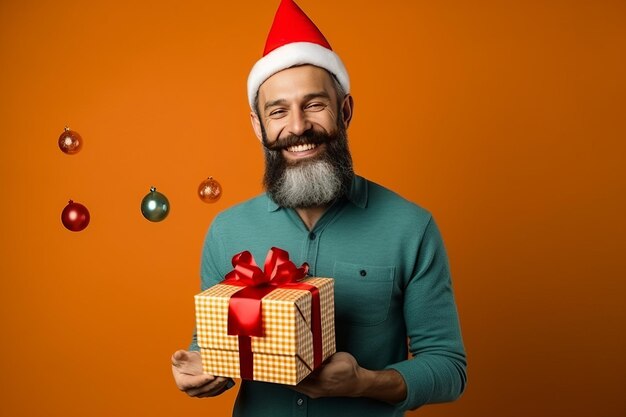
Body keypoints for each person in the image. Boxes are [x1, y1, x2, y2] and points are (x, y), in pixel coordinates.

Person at [171, 1, 467, 415]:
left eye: (314, 104)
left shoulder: (411, 228)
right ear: (259, 126)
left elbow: (449, 368)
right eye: (278, 111)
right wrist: (201, 370)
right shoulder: (227, 231)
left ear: (344, 111)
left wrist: (365, 382)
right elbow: (214, 348)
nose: (297, 127)